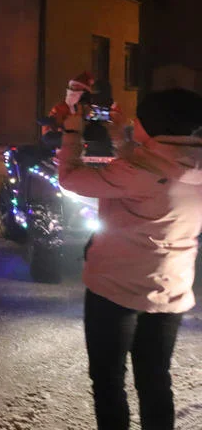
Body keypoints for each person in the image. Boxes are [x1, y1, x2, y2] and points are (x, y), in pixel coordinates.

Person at [58, 88, 202, 430]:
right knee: (154, 380)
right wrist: (122, 138)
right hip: (171, 288)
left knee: (108, 380)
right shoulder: (185, 165)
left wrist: (71, 133)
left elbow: (70, 179)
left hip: (115, 288)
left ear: (154, 126)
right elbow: (152, 171)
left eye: (139, 118)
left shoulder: (138, 168)